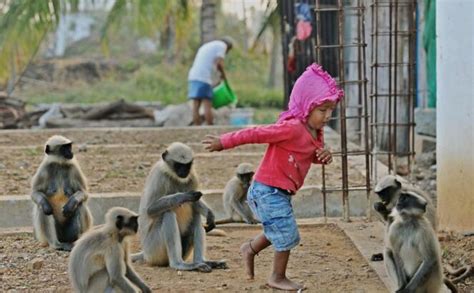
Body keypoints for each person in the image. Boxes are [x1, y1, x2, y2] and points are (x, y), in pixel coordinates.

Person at [202, 63, 344, 291]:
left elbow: (310, 155)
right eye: (322, 110)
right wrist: (224, 142)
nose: (327, 116)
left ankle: (249, 248)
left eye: (331, 110)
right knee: (287, 232)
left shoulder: (315, 132)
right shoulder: (291, 128)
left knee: (277, 228)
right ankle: (277, 277)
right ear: (306, 106)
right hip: (266, 190)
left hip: (280, 192)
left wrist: (323, 156)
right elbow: (255, 133)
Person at [188, 37, 233, 126]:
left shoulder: (208, 45)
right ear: (228, 47)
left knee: (196, 105)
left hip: (193, 76)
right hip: (203, 77)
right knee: (207, 104)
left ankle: (197, 128)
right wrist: (224, 77)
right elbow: (219, 64)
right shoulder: (222, 45)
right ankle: (210, 128)